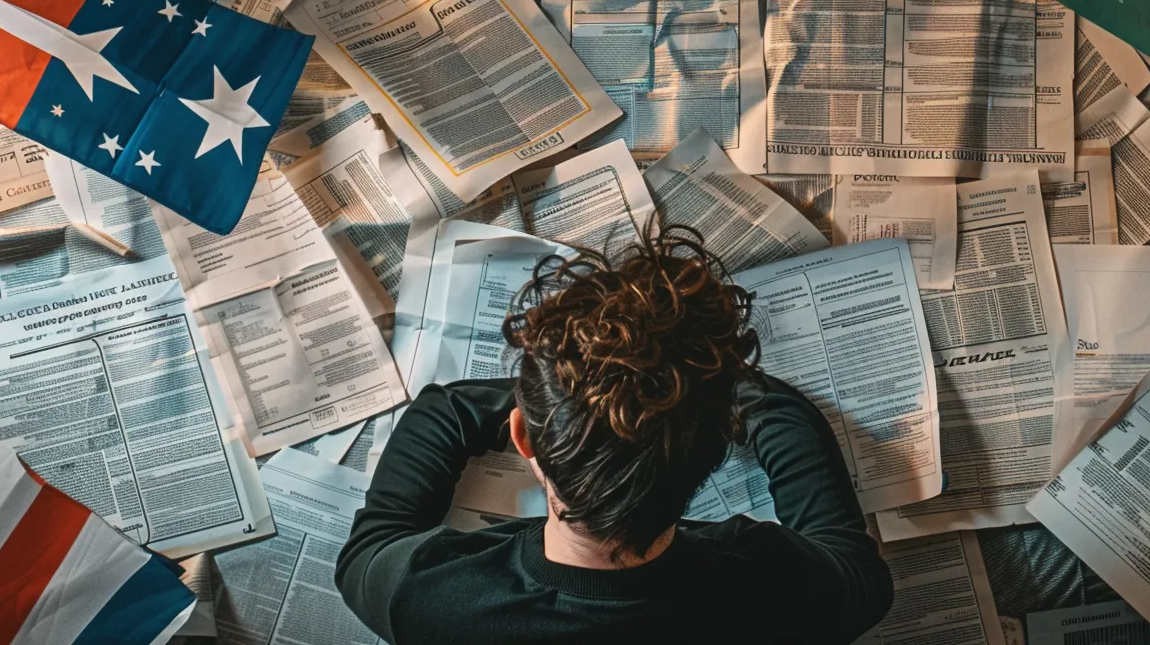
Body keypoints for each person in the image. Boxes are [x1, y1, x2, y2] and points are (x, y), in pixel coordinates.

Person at [335, 225, 893, 644]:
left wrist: (560, 404)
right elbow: (857, 568)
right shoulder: (778, 592)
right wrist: (704, 396)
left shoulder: (432, 598)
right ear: (720, 444)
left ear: (523, 438)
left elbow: (435, 424)